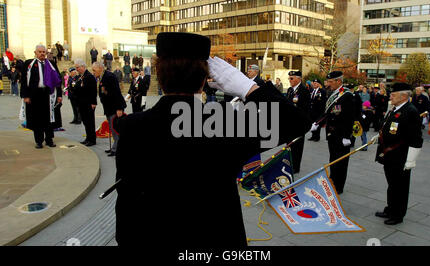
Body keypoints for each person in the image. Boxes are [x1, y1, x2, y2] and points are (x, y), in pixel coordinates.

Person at [113, 32, 311, 247]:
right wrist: (248, 88)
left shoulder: (133, 126)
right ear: (204, 79)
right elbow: (297, 122)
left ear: (159, 75)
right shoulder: (224, 125)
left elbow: (126, 199)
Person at [375, 83, 423, 225]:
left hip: (400, 157)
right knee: (392, 184)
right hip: (390, 155)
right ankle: (390, 209)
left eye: (393, 94)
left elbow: (416, 138)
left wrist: (411, 160)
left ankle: (398, 214)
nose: (390, 96)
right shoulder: (394, 109)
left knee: (400, 187)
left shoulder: (410, 111)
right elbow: (387, 127)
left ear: (403, 96)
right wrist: (378, 137)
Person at [312, 71, 355, 194]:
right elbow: (328, 112)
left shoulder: (347, 96)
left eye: (331, 82)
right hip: (332, 134)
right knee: (333, 158)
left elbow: (349, 117)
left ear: (338, 81)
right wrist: (317, 123)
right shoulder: (334, 94)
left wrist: (347, 136)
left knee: (341, 161)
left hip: (341, 135)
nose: (328, 84)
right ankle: (333, 180)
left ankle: (338, 186)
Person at [20, 44, 62, 149]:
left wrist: (59, 95)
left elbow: (57, 80)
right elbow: (24, 81)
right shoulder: (29, 64)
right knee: (37, 118)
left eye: (44, 52)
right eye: (40, 52)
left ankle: (49, 139)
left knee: (49, 118)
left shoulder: (51, 63)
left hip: (48, 94)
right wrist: (25, 96)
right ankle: (39, 141)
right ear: (35, 52)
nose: (42, 54)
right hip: (34, 95)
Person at [92, 61, 126, 156]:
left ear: (100, 68)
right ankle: (114, 147)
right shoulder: (102, 77)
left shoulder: (109, 76)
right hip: (109, 108)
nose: (93, 72)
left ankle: (117, 149)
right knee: (112, 128)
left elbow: (117, 93)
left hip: (115, 107)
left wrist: (119, 108)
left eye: (94, 70)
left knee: (115, 129)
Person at [285, 70, 310, 174]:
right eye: (289, 78)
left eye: (292, 78)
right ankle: (289, 164)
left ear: (299, 79)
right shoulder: (290, 90)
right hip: (289, 124)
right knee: (289, 146)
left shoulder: (304, 91)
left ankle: (295, 167)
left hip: (298, 124)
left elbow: (305, 109)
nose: (290, 80)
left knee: (297, 147)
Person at [74, 59, 98, 146]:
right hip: (82, 103)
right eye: (76, 67)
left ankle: (92, 139)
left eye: (77, 67)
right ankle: (88, 137)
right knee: (85, 121)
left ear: (83, 67)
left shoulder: (89, 76)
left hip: (88, 103)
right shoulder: (81, 76)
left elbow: (93, 91)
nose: (76, 69)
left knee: (90, 122)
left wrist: (93, 103)